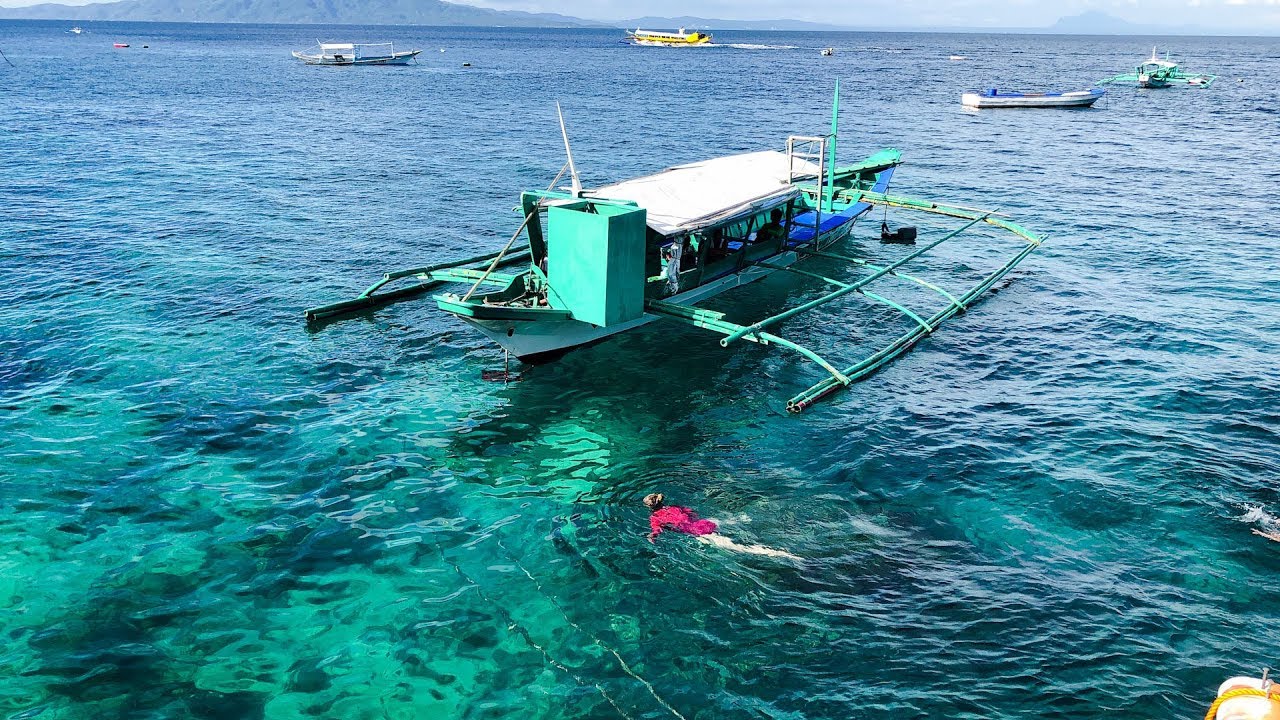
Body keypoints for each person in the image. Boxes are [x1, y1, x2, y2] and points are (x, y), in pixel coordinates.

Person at [643, 493, 800, 561]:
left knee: (742, 548)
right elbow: (692, 513)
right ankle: (745, 518)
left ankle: (784, 555)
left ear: (650, 507)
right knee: (734, 520)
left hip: (698, 533)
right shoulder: (675, 506)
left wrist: (651, 537)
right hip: (705, 523)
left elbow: (657, 531)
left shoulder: (655, 518)